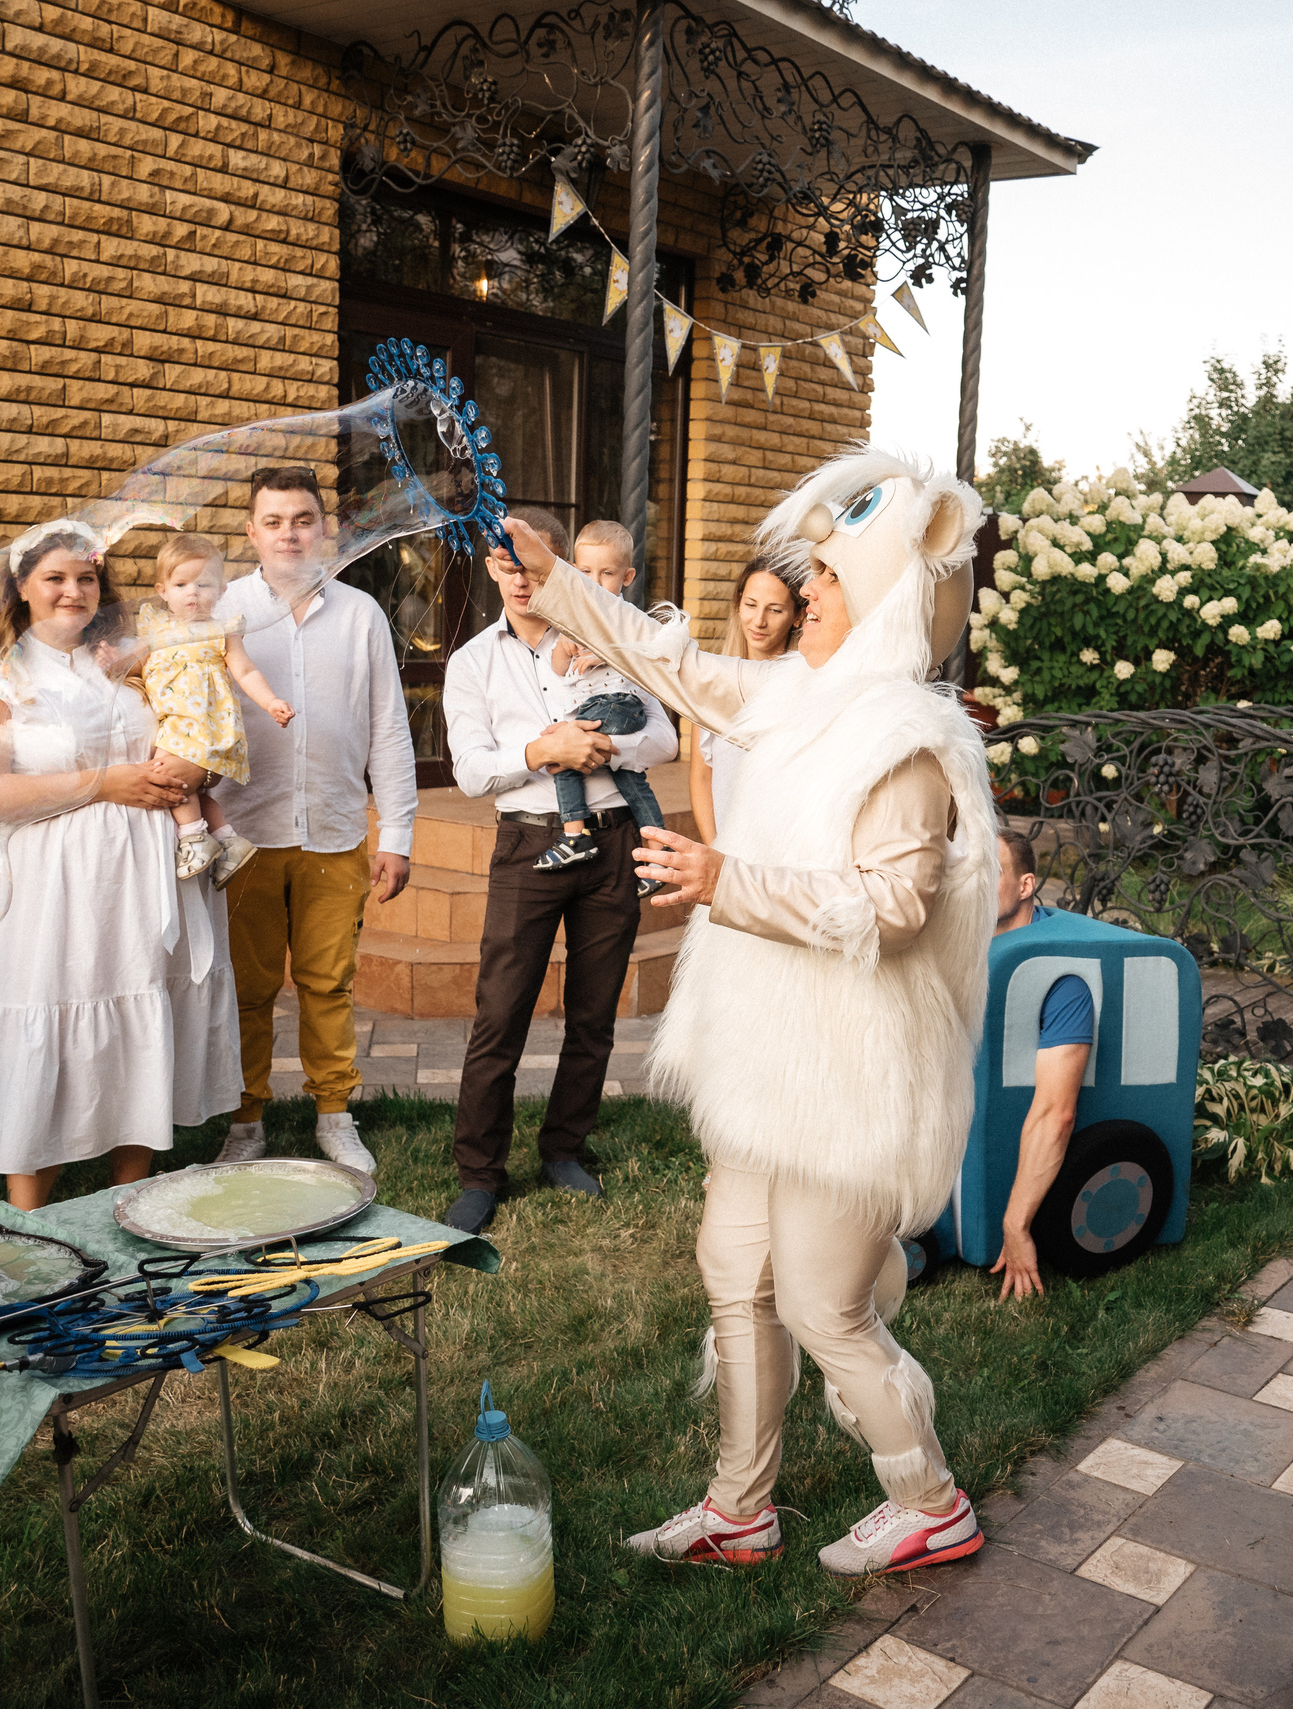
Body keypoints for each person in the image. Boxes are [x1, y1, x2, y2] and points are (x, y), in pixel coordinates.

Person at [499, 447, 1001, 1578]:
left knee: (825, 1307)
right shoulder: (793, 696)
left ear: (879, 607)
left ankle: (931, 1500)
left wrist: (727, 881)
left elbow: (893, 907)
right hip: (760, 1059)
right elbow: (680, 667)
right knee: (735, 1273)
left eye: (826, 578)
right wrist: (554, 583)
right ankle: (741, 1507)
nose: (806, 591)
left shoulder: (907, 748)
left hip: (842, 1075)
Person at [0, 521, 240, 1210]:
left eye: (85, 577)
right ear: (22, 587)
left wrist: (192, 774)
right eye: (55, 577)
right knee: (53, 1013)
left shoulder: (129, 659)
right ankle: (28, 1210)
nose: (73, 590)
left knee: (143, 1006)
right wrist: (106, 783)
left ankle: (127, 1199)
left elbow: (194, 734)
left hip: (147, 871)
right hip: (59, 885)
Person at [438, 507, 676, 1234]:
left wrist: (603, 747)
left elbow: (664, 736)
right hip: (528, 842)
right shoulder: (472, 661)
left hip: (611, 843)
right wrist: (545, 752)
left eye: (530, 566)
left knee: (595, 1011)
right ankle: (480, 1171)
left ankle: (565, 1148)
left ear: (553, 571)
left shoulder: (614, 641)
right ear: (490, 567)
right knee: (501, 1011)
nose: (518, 577)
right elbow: (473, 770)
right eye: (505, 564)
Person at [209, 468, 420, 1174]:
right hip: (244, 832)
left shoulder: (360, 614)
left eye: (302, 518)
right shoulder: (222, 610)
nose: (289, 532)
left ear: (322, 527)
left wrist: (397, 834)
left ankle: (334, 1112)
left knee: (329, 983)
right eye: (273, 521)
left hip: (334, 830)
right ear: (251, 532)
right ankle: (246, 1119)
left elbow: (389, 729)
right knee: (249, 987)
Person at [131, 532, 294, 883]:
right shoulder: (155, 629)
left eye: (203, 584)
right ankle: (228, 840)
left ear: (221, 591)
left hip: (202, 726)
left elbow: (246, 672)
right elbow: (133, 667)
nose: (192, 592)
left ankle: (193, 838)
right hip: (174, 723)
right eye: (181, 583)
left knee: (168, 778)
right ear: (163, 590)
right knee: (198, 790)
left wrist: (271, 702)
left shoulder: (221, 631)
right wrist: (111, 660)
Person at [983, 826, 1096, 1303]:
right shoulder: (957, 946)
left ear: (1025, 886)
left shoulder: (1061, 978)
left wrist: (1015, 1224)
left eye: (991, 873)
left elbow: (1057, 1111)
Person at [537, 520, 667, 893]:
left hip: (621, 704)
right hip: (600, 708)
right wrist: (563, 647)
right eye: (586, 572)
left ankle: (575, 834)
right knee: (630, 779)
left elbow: (650, 653)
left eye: (607, 573)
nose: (595, 581)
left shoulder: (627, 617)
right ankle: (656, 854)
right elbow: (559, 670)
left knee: (565, 749)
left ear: (626, 577)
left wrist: (606, 654)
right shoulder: (572, 616)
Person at [687, 558, 801, 845]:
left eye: (775, 610)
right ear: (738, 604)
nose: (759, 621)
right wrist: (716, 853)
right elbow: (701, 777)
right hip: (727, 856)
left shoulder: (806, 686)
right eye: (751, 605)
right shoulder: (711, 680)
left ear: (798, 616)